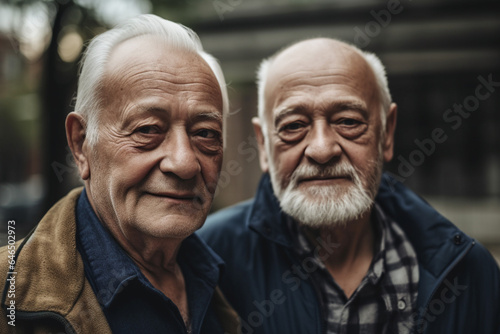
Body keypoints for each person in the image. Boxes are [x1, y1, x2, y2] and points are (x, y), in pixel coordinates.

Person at [198, 38, 500, 334]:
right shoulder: (206, 259)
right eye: (293, 126)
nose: (321, 149)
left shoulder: (468, 272)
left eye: (348, 121)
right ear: (263, 144)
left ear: (387, 133)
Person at [0, 14, 240, 334]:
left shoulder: (237, 281)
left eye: (206, 133)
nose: (184, 163)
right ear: (81, 144)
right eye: (148, 130)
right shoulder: (9, 296)